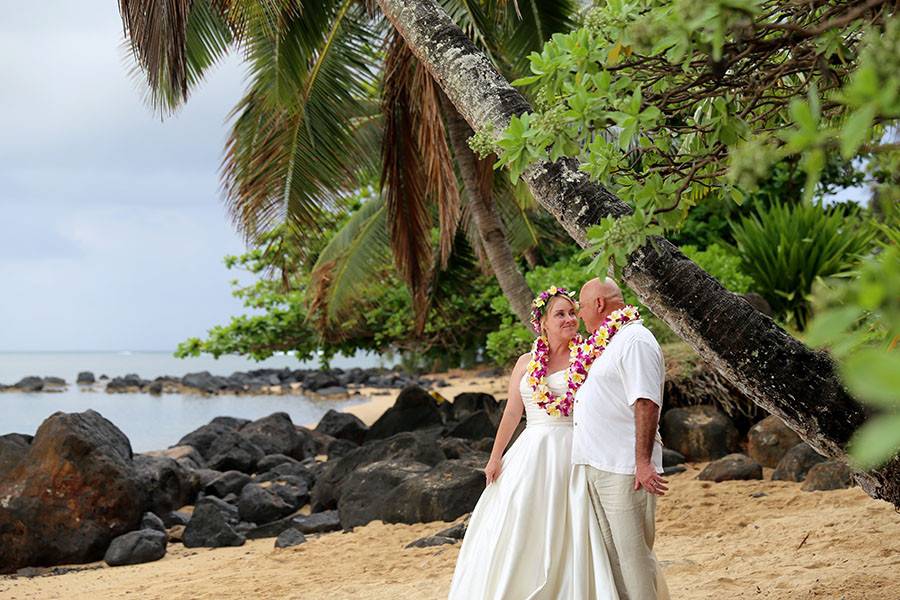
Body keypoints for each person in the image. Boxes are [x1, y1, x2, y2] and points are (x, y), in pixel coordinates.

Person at [448, 286, 617, 600]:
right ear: (542, 324)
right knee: (521, 521)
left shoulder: (589, 356)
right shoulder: (527, 362)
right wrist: (495, 457)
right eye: (560, 314)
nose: (569, 319)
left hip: (571, 447)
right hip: (529, 451)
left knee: (569, 524)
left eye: (572, 312)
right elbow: (513, 411)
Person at [572, 277, 671, 600]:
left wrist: (642, 462)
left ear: (599, 304)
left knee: (634, 557)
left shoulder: (635, 340)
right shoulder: (608, 342)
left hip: (625, 468)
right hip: (599, 464)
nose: (579, 316)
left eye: (582, 307)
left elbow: (646, 401)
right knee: (614, 558)